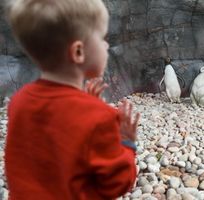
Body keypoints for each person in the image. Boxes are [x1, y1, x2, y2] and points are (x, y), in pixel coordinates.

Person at [4, 0, 140, 199]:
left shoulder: (18, 102)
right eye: (102, 37)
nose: (106, 44)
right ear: (78, 52)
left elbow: (53, 144)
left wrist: (86, 101)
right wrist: (127, 144)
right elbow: (117, 183)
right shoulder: (101, 117)